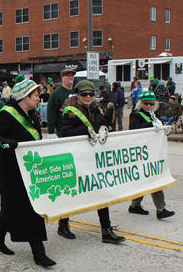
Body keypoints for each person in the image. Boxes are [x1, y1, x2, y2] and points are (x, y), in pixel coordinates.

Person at [0, 79, 56, 267]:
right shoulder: (7, 114)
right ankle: (39, 253)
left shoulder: (32, 115)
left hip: (29, 167)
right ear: (25, 96)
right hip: (11, 170)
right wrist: (6, 143)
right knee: (29, 208)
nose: (39, 99)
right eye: (36, 96)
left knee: (10, 205)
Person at [60, 80, 126, 244]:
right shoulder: (70, 111)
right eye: (84, 94)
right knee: (72, 192)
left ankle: (106, 230)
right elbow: (66, 133)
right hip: (76, 157)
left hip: (93, 157)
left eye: (91, 94)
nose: (88, 97)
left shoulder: (96, 108)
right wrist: (85, 131)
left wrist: (104, 127)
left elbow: (101, 125)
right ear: (78, 95)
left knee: (100, 190)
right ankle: (63, 224)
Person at [128, 89, 175, 219]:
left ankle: (135, 205)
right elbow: (134, 129)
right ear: (141, 103)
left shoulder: (153, 115)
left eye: (150, 103)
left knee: (145, 179)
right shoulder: (136, 114)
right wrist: (151, 125)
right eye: (145, 103)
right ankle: (161, 209)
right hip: (141, 152)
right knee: (154, 179)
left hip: (152, 151)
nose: (148, 106)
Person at [47, 68, 77, 138]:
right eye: (68, 76)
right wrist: (51, 131)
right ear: (62, 77)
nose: (71, 77)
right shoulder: (56, 94)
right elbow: (51, 112)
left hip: (77, 130)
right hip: (62, 131)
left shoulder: (77, 92)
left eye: (72, 76)